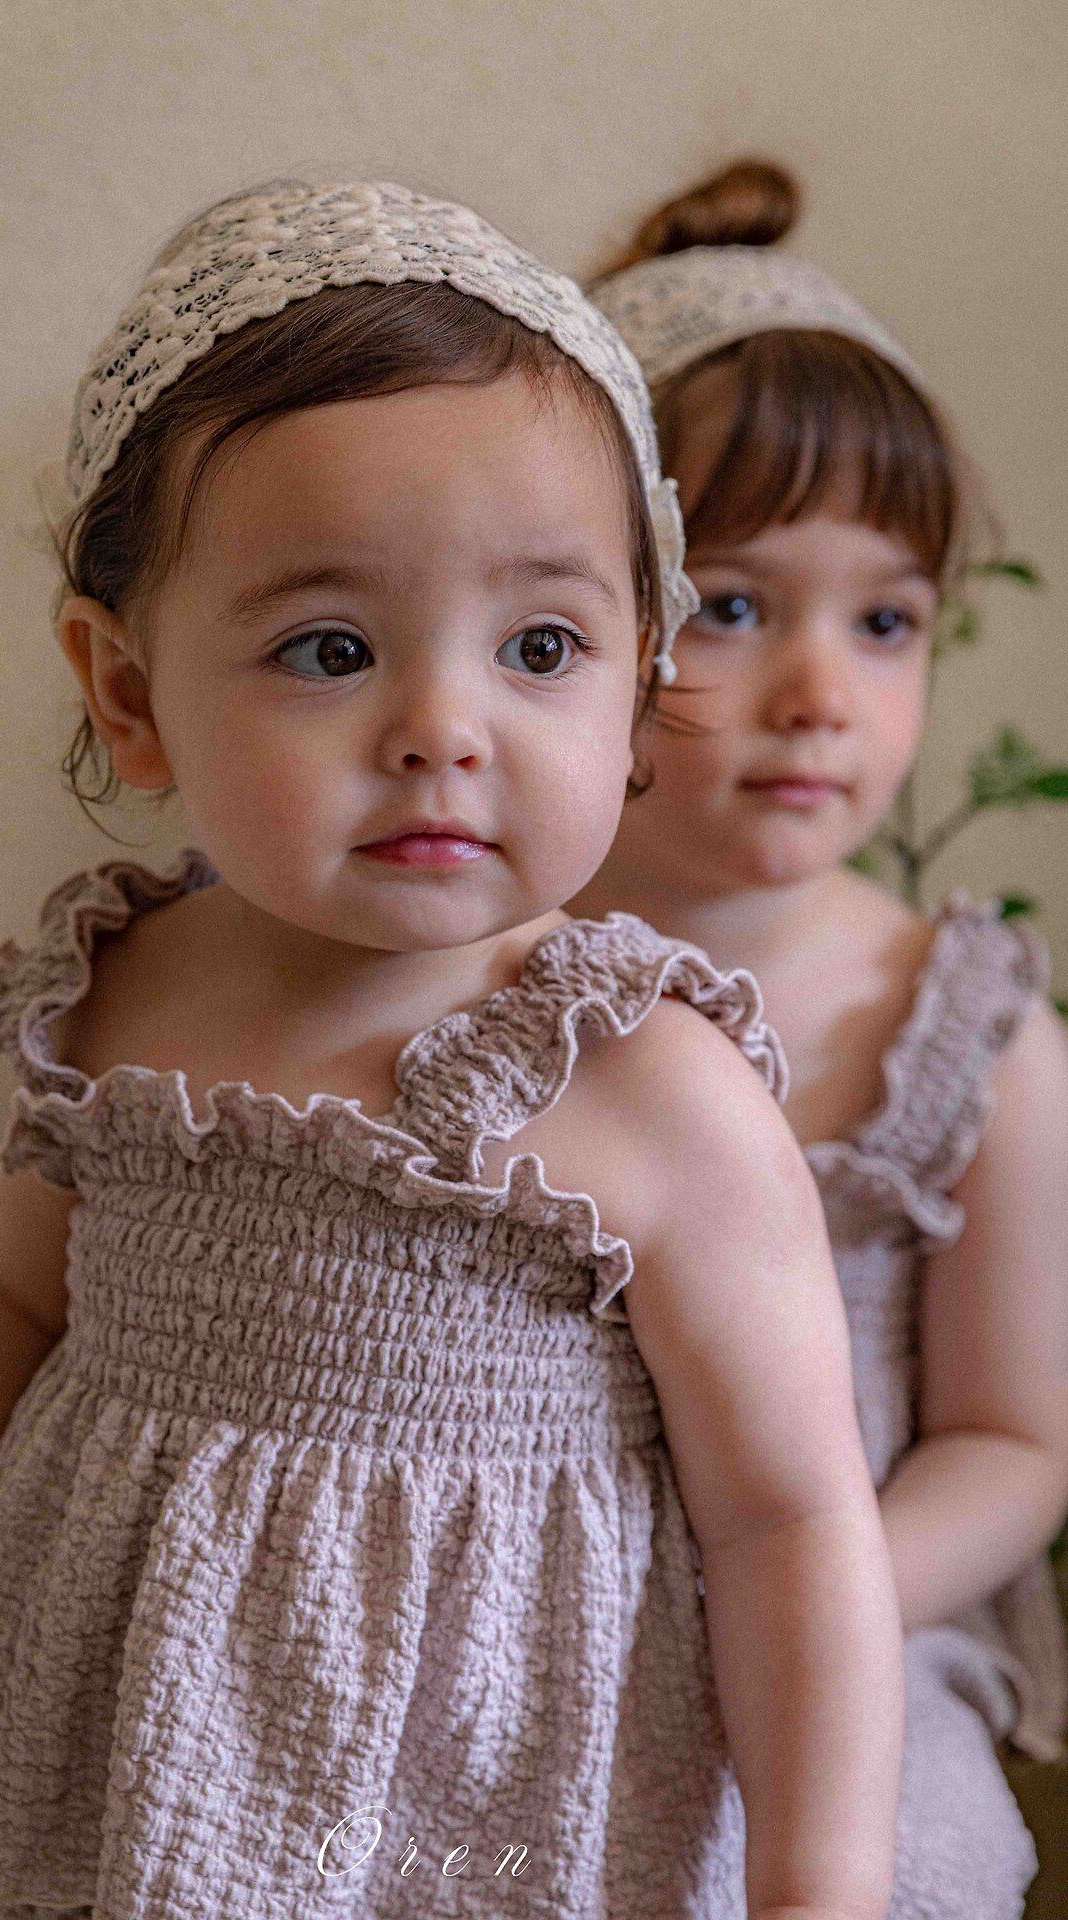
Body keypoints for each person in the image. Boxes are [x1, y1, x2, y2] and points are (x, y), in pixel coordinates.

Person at [0, 178, 902, 1920]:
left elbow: (789, 1522)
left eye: (541, 646)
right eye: (331, 648)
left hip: (479, 1804)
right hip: (131, 1750)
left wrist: (817, 1885)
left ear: (637, 679)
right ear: (128, 693)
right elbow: (8, 1301)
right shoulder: (120, 996)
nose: (443, 729)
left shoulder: (644, 1083)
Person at [579, 156, 1068, 1919]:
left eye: (886, 621)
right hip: (507, 1612)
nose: (821, 696)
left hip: (850, 1626)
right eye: (733, 605)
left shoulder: (969, 1033)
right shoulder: (461, 980)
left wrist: (821, 1597)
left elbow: (1014, 1443)